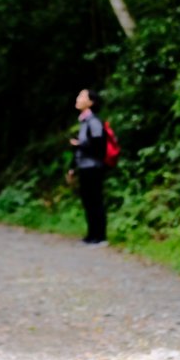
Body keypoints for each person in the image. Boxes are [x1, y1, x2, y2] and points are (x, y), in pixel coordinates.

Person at [68, 88, 108, 245]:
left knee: (95, 200)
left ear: (90, 102)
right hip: (84, 167)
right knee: (87, 201)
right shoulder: (84, 121)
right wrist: (72, 168)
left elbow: (99, 145)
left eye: (81, 96)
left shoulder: (94, 121)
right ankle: (91, 235)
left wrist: (81, 145)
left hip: (94, 168)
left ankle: (100, 237)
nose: (77, 98)